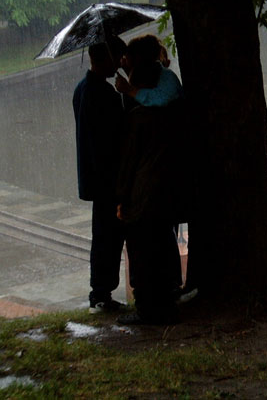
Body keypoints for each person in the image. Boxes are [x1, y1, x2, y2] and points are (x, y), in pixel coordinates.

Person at [115, 37, 187, 325]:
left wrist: (121, 198)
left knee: (141, 246)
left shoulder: (139, 115)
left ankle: (146, 308)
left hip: (143, 191)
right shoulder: (168, 99)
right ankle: (168, 300)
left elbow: (129, 161)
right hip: (168, 183)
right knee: (164, 241)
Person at [73, 35, 127, 314]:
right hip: (110, 178)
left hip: (95, 178)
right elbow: (116, 138)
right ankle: (103, 293)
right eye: (117, 58)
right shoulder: (104, 95)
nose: (120, 63)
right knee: (111, 238)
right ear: (104, 57)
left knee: (102, 237)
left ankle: (100, 291)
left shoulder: (81, 89)